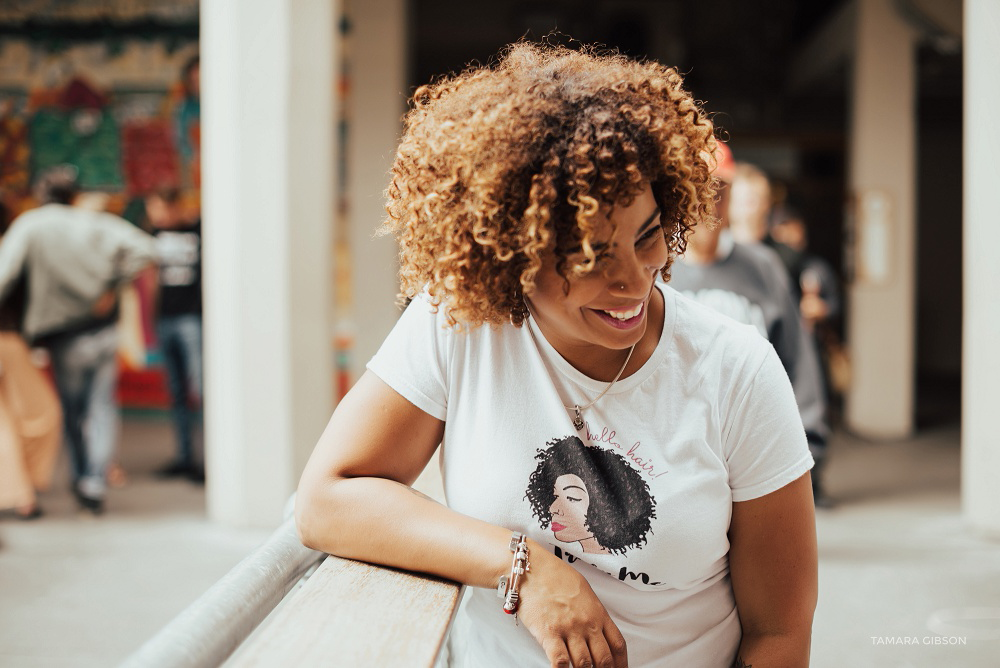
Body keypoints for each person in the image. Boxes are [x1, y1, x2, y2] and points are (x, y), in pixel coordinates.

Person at [296, 43, 817, 668]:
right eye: (590, 255)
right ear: (510, 252)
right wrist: (525, 567)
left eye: (646, 235)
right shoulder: (460, 324)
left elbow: (780, 631)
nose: (634, 280)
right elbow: (330, 496)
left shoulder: (737, 371)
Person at [670, 147, 832, 507]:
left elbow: (797, 355)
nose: (710, 201)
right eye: (699, 188)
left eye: (720, 190)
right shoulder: (658, 268)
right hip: (682, 460)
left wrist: (810, 442)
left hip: (758, 449)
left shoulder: (763, 266)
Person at [0, 165, 155, 514]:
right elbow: (146, 249)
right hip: (104, 330)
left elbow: (4, 273)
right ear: (74, 195)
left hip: (65, 336)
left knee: (73, 412)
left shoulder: (32, 224)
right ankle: (94, 482)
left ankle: (81, 476)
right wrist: (112, 286)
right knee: (102, 406)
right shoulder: (95, 222)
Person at [145, 186, 204, 482]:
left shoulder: (200, 229)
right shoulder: (154, 235)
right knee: (177, 392)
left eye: (159, 209)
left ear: (175, 206)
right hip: (166, 319)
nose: (155, 217)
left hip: (194, 320)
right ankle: (185, 457)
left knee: (201, 390)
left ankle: (210, 460)